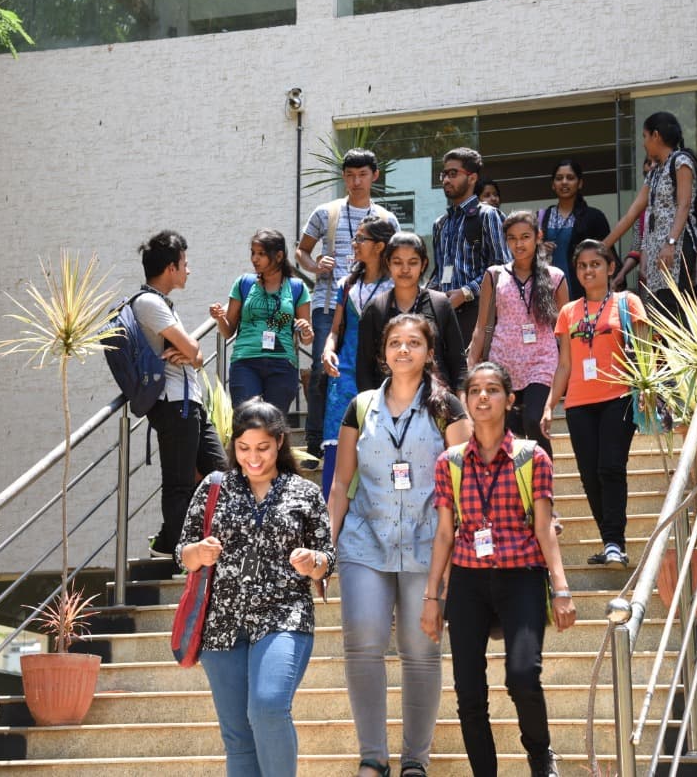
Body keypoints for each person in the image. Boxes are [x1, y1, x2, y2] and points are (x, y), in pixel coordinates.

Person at [329, 313, 472, 777]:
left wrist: (458, 556)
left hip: (429, 543)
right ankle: (373, 757)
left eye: (414, 343)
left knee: (420, 648)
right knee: (364, 641)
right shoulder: (360, 406)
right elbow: (340, 485)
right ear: (382, 352)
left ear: (430, 352)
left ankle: (416, 760)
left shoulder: (446, 407)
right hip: (364, 541)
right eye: (395, 343)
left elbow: (466, 483)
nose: (404, 350)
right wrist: (328, 549)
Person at [422, 361, 576, 777]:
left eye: (492, 390)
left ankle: (540, 755)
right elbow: (443, 535)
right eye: (475, 391)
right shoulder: (450, 462)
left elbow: (544, 529)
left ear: (509, 401)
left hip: (521, 575)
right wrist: (432, 598)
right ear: (466, 400)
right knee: (469, 692)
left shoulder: (532, 457)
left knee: (522, 676)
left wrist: (561, 589)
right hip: (468, 580)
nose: (483, 398)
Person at [178, 398, 334, 777]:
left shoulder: (305, 492)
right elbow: (182, 553)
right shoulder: (214, 488)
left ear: (280, 442)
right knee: (238, 736)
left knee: (268, 706)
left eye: (262, 448)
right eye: (244, 448)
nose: (253, 458)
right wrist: (198, 552)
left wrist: (313, 562)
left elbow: (328, 557)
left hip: (284, 614)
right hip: (222, 623)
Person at [541, 240, 647, 567]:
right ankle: (609, 541)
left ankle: (615, 540)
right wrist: (549, 405)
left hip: (618, 397)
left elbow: (644, 350)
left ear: (611, 267)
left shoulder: (628, 302)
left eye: (596, 264)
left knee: (610, 467)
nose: (589, 270)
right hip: (578, 403)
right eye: (583, 266)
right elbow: (564, 365)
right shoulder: (568, 312)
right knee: (589, 474)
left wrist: (645, 386)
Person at [297, 149, 401, 454]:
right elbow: (301, 251)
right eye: (350, 175)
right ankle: (316, 441)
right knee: (321, 367)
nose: (356, 181)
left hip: (375, 305)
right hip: (329, 302)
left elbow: (396, 258)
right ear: (343, 177)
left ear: (375, 176)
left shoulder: (387, 218)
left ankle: (376, 432)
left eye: (362, 175)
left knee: (374, 366)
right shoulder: (325, 213)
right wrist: (315, 266)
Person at [134, 230, 229, 559]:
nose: (188, 270)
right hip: (173, 404)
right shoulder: (148, 302)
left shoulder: (160, 304)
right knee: (179, 483)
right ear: (170, 267)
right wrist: (190, 351)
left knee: (222, 473)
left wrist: (192, 353)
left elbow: (197, 356)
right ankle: (171, 549)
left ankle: (179, 543)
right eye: (185, 264)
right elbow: (192, 349)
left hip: (189, 403)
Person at [468, 211, 568, 456]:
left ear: (538, 237)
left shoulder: (556, 277)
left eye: (525, 236)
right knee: (508, 432)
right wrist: (472, 365)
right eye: (512, 238)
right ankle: (516, 490)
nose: (519, 243)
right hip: (503, 363)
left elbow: (566, 329)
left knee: (534, 421)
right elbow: (481, 326)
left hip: (541, 363)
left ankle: (543, 486)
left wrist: (566, 367)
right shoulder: (495, 275)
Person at [602, 112, 697, 322]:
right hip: (658, 254)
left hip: (677, 248)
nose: (644, 143)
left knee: (679, 310)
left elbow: (684, 205)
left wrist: (670, 242)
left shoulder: (681, 161)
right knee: (662, 312)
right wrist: (602, 247)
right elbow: (632, 213)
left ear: (656, 135)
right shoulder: (655, 172)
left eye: (645, 136)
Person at [319, 216, 394, 496]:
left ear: (379, 246)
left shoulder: (395, 286)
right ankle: (332, 523)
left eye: (361, 239)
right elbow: (336, 330)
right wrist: (328, 349)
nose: (354, 244)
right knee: (337, 446)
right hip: (345, 372)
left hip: (382, 376)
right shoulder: (346, 284)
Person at [211, 229, 314, 413]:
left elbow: (306, 339)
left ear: (279, 256)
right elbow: (228, 332)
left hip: (282, 363)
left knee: (273, 426)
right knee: (248, 420)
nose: (254, 259)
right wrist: (220, 318)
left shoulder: (297, 287)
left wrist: (306, 331)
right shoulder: (244, 283)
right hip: (245, 362)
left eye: (261, 254)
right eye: (252, 253)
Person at [357, 232, 467, 393]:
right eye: (397, 262)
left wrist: (462, 411)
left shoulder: (441, 305)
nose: (405, 269)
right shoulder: (375, 309)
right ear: (388, 264)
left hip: (436, 404)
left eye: (413, 262)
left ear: (423, 264)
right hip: (389, 407)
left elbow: (458, 363)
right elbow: (364, 369)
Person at [428, 147, 510, 345]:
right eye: (444, 174)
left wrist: (465, 293)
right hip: (445, 314)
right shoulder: (440, 224)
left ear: (472, 178)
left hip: (480, 314)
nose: (446, 179)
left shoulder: (488, 215)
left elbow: (502, 269)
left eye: (453, 173)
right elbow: (440, 273)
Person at [537, 158, 612, 300]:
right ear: (553, 185)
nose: (564, 182)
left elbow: (608, 255)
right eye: (559, 178)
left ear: (580, 183)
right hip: (548, 294)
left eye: (570, 178)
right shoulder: (541, 217)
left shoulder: (594, 217)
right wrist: (540, 249)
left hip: (585, 292)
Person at [612, 156, 655, 293]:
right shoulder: (640, 210)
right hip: (646, 279)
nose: (652, 166)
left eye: (656, 162)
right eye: (648, 163)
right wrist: (622, 273)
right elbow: (636, 249)